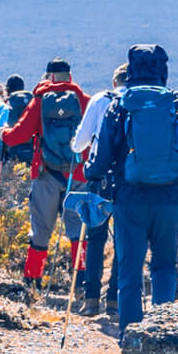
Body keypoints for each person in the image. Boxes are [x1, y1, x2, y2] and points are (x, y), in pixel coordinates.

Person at [84, 44, 178, 335]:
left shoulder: (120, 103)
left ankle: (132, 339)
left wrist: (92, 173)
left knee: (130, 272)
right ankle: (162, 334)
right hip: (170, 199)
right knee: (165, 266)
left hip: (129, 200)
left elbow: (100, 160)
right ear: (163, 70)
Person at [1, 57, 90, 291]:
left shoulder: (39, 101)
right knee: (77, 229)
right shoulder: (83, 100)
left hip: (46, 174)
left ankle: (33, 281)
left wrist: (4, 134)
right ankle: (81, 283)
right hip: (78, 174)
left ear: (49, 76)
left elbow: (18, 135)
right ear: (69, 76)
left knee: (41, 228)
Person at [66, 63, 127, 314]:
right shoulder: (141, 101)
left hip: (99, 178)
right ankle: (114, 298)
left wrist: (75, 144)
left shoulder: (101, 99)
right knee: (125, 239)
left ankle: (91, 299)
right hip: (129, 180)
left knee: (95, 236)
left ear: (114, 81)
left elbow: (80, 144)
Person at [2, 73, 35, 171]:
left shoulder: (6, 104)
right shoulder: (32, 101)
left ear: (7, 90)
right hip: (32, 150)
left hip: (12, 152)